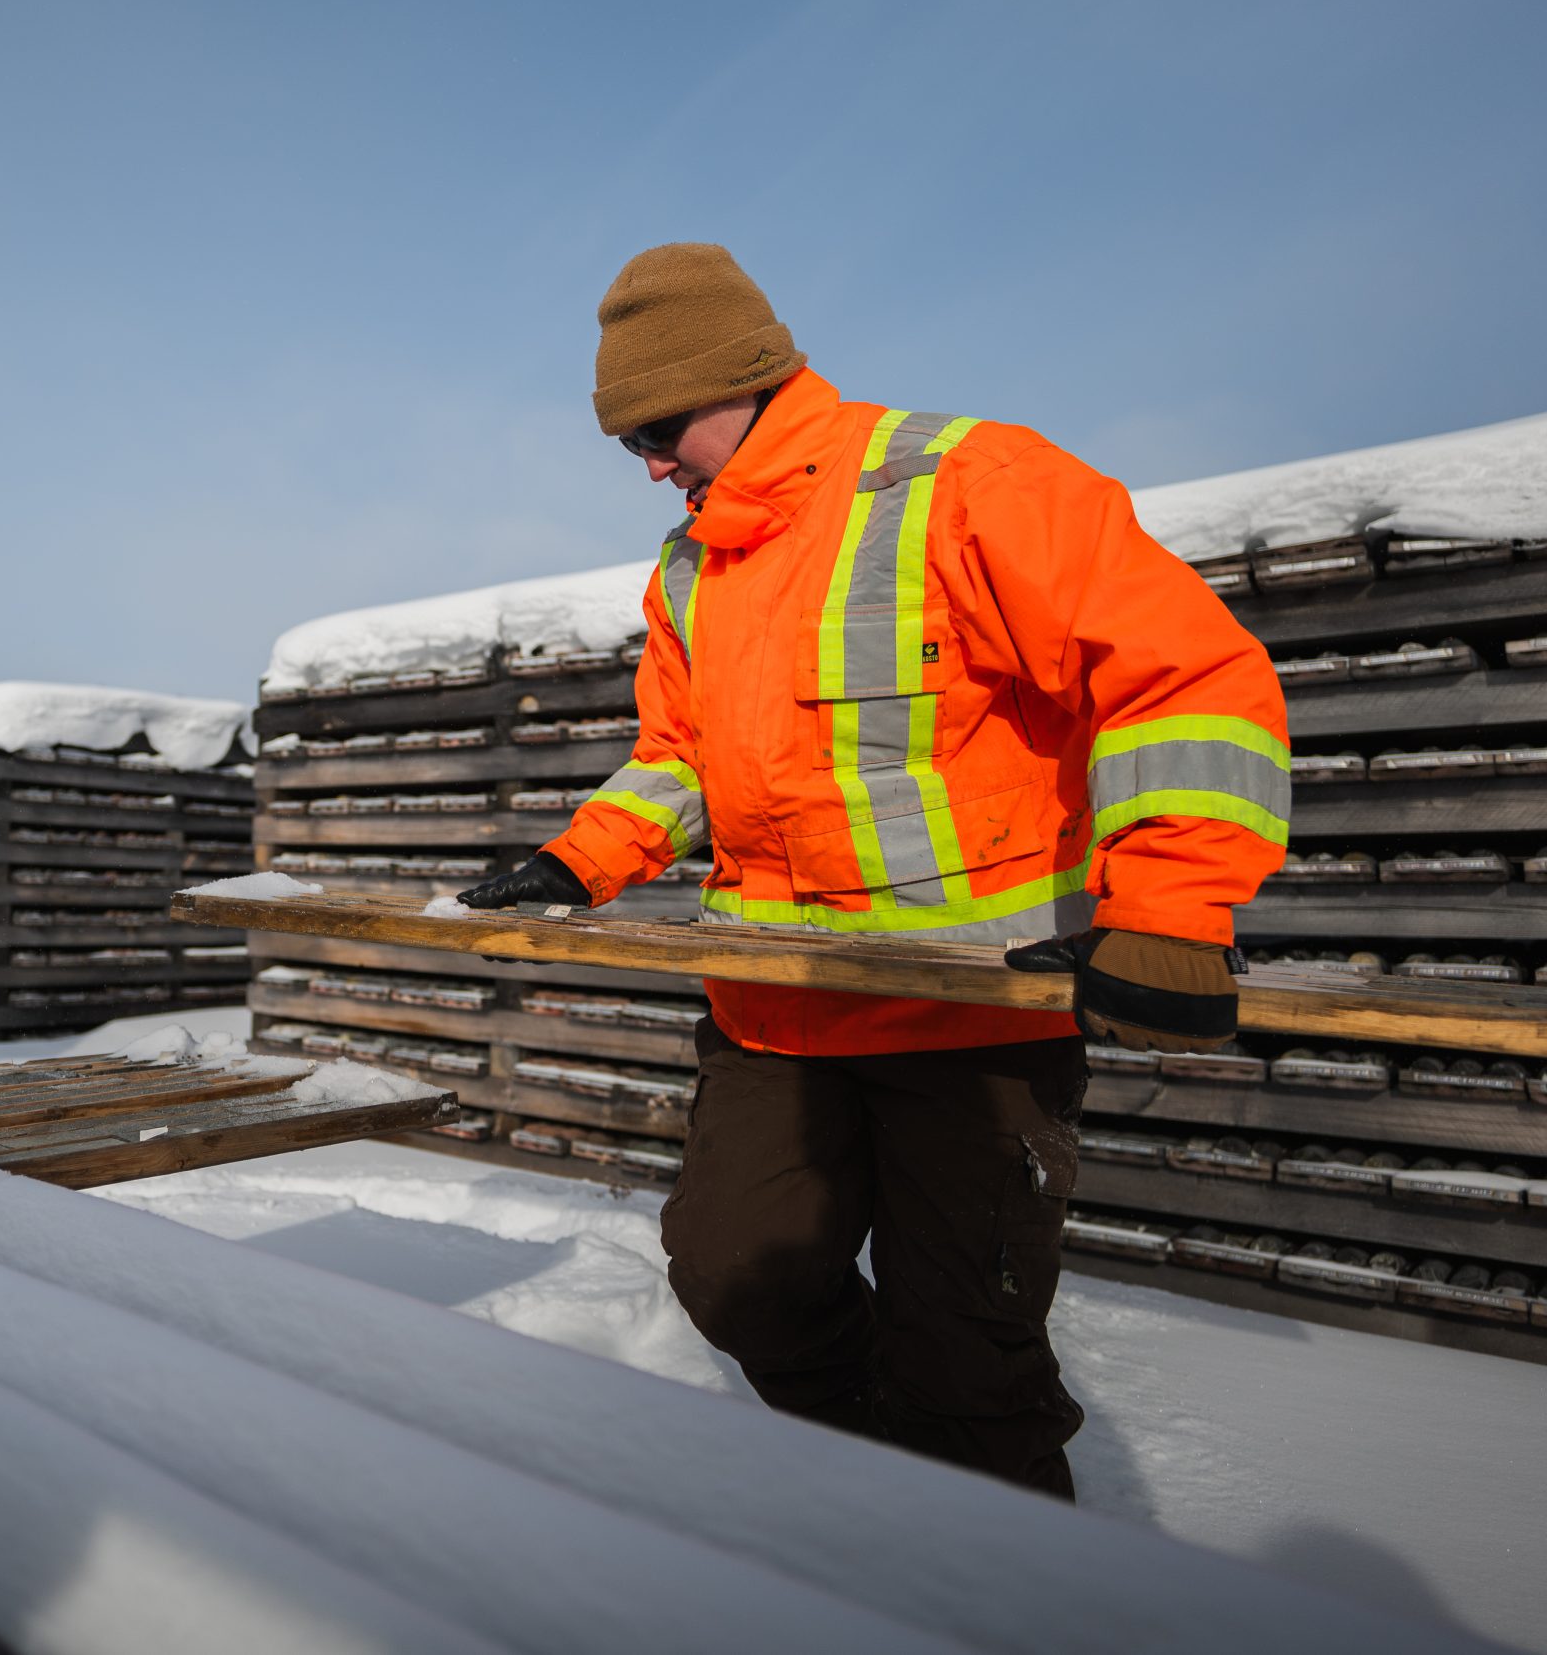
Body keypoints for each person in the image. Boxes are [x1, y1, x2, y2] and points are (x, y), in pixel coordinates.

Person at [460, 244, 1288, 1498]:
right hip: (776, 1014)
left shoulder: (969, 484)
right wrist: (581, 860)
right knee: (738, 1279)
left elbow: (1184, 674)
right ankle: (890, 1503)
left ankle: (992, 1572)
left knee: (966, 1353)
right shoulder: (692, 568)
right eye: (623, 438)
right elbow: (682, 757)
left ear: (745, 375)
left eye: (662, 425)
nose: (647, 462)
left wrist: (1170, 906)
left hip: (971, 1019)